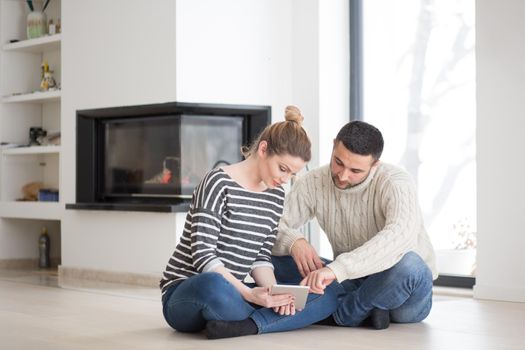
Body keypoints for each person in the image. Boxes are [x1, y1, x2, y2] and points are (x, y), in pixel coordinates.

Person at [160, 106, 340, 339]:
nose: (284, 179)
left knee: (330, 293)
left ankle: (248, 324)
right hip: (189, 291)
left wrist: (275, 294)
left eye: (291, 175)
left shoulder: (275, 196)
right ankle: (277, 319)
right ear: (263, 149)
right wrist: (250, 294)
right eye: (282, 169)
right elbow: (203, 255)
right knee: (213, 285)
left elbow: (260, 257)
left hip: (237, 291)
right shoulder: (218, 182)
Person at [272, 120, 438, 330]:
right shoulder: (313, 182)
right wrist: (293, 241)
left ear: (375, 164)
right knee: (273, 256)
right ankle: (369, 307)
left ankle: (341, 315)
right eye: (338, 162)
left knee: (411, 265)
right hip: (352, 279)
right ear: (333, 146)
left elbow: (400, 237)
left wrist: (336, 269)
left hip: (400, 290)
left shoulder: (396, 182)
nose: (343, 176)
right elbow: (271, 225)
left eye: (355, 170)